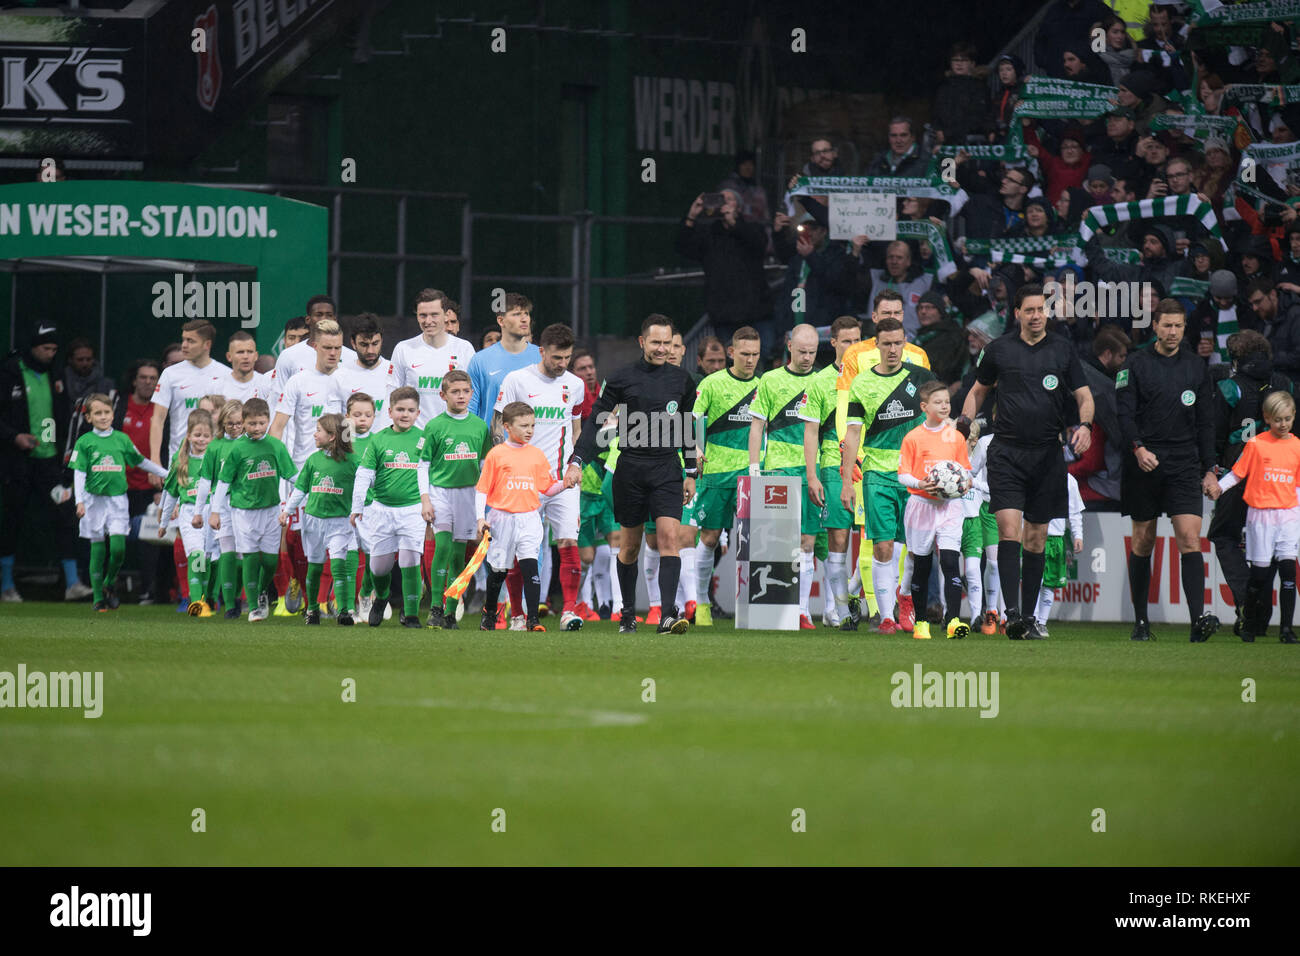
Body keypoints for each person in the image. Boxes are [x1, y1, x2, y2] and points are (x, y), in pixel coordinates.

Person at [959, 284, 1094, 641]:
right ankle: (1012, 613)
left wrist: (1087, 426)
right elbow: (977, 391)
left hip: (1048, 454)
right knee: (1009, 531)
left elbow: (1084, 396)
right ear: (1016, 313)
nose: (1036, 316)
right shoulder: (998, 350)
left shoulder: (1063, 351)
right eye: (1029, 310)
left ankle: (1030, 617)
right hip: (1006, 452)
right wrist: (964, 423)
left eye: (1041, 309)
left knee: (1036, 538)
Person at [564, 315, 697, 635]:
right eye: (656, 342)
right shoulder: (622, 378)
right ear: (642, 342)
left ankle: (667, 616)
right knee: (630, 548)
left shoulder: (682, 380)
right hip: (631, 470)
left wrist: (691, 471)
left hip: (667, 469)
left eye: (667, 343)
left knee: (669, 538)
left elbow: (688, 428)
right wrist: (578, 459)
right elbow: (597, 421)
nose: (662, 349)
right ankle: (626, 613)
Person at [1116, 299, 1221, 642]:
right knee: (1143, 540)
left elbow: (1207, 422)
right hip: (1144, 461)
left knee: (1190, 538)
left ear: (1184, 328)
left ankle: (1196, 623)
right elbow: (1124, 414)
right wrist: (1138, 448)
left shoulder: (1196, 367)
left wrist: (1210, 469)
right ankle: (1141, 622)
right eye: (1167, 326)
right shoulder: (1135, 364)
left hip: (1183, 463)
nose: (1173, 332)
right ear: (1155, 327)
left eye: (1178, 326)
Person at [839, 316, 935, 634]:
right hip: (876, 473)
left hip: (913, 476)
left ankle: (904, 596)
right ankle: (886, 617)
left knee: (912, 548)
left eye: (898, 343)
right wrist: (845, 482)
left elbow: (935, 421)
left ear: (904, 344)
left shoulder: (921, 377)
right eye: (887, 344)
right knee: (883, 545)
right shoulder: (862, 383)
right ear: (876, 345)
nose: (893, 349)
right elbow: (852, 434)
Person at [494, 323, 586, 630]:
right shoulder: (517, 380)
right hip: (522, 483)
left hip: (561, 479)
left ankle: (569, 611)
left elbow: (576, 429)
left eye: (567, 358)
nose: (562, 364)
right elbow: (499, 426)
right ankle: (517, 614)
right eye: (557, 358)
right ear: (542, 351)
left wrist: (577, 464)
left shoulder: (574, 385)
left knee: (568, 540)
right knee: (521, 549)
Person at [1208, 331, 1295, 633]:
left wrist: (1212, 469)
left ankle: (1249, 601)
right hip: (1279, 472)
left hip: (1239, 468)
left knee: (1223, 535)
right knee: (1270, 546)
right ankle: (1261, 615)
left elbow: (1216, 433)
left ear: (1235, 358)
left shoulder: (1230, 388)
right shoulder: (1286, 384)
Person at [0, 322, 90, 602]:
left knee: (65, 513)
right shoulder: (10, 372)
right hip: (17, 464)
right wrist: (15, 437)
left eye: (54, 349)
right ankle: (6, 586)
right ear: (33, 347)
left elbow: (59, 416)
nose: (50, 354)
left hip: (49, 465)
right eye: (45, 348)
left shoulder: (55, 375)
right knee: (11, 521)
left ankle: (73, 583)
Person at [747, 324, 821, 629]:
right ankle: (776, 611)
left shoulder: (823, 380)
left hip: (811, 471)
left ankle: (802, 610)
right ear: (789, 346)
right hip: (777, 468)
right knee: (778, 542)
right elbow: (756, 426)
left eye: (812, 352)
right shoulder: (770, 380)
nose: (806, 357)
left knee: (807, 540)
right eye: (801, 351)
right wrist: (754, 469)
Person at [1214, 391, 1300, 644]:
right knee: (1260, 575)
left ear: (1293, 416)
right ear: (1267, 418)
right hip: (1260, 516)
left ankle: (1286, 629)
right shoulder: (1256, 444)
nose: (1282, 424)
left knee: (1288, 571)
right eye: (1277, 420)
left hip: (1288, 515)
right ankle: (1249, 623)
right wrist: (1219, 487)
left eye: (1287, 418)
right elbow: (1238, 473)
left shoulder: (1296, 446)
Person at [70, 393, 168, 611]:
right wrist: (80, 501)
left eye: (107, 412)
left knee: (118, 549)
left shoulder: (122, 439)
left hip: (117, 501)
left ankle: (108, 583)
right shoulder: (84, 442)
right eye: (98, 413)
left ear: (113, 414)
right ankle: (97, 598)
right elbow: (79, 473)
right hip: (93, 501)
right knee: (97, 548)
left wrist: (166, 473)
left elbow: (140, 461)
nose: (103, 417)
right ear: (89, 418)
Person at [477, 402, 568, 631]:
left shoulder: (536, 455)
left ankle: (532, 620)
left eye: (533, 425)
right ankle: (489, 615)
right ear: (507, 426)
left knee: (530, 568)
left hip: (529, 518)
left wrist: (565, 484)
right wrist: (481, 518)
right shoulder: (497, 454)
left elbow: (546, 488)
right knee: (498, 571)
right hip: (502, 519)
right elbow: (482, 489)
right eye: (524, 425)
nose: (530, 430)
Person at [800, 316, 863, 630]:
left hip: (872, 465)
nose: (853, 346)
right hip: (833, 464)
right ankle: (838, 609)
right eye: (847, 341)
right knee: (838, 537)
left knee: (876, 539)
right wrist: (811, 475)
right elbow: (810, 432)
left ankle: (847, 598)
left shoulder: (871, 376)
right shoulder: (819, 381)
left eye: (858, 340)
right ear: (834, 343)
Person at [210, 398, 297, 622]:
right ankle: (256, 605)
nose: (257, 428)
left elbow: (293, 475)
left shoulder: (276, 446)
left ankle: (260, 591)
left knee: (269, 561)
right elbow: (223, 481)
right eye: (252, 424)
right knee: (249, 557)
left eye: (261, 423)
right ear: (244, 423)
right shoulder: (237, 449)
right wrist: (215, 511)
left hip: (270, 510)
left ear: (268, 421)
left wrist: (310, 488)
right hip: (243, 512)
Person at [897, 381, 972, 641]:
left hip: (950, 507)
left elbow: (966, 471)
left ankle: (952, 621)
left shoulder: (956, 437)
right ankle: (920, 623)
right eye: (938, 402)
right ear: (924, 406)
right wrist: (920, 483)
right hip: (921, 506)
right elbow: (902, 475)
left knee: (951, 562)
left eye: (947, 402)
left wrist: (965, 483)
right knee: (922, 565)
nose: (944, 406)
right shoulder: (913, 437)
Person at [350, 387, 428, 628]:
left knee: (410, 560)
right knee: (379, 566)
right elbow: (363, 475)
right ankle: (381, 597)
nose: (405, 414)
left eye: (410, 410)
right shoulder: (379, 439)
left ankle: (411, 613)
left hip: (413, 510)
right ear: (390, 411)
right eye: (400, 409)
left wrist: (428, 502)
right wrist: (357, 506)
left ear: (418, 413)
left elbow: (429, 474)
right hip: (381, 510)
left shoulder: (424, 438)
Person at [422, 370, 491, 629]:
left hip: (468, 495)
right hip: (440, 493)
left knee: (459, 556)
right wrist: (425, 499)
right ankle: (435, 607)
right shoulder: (435, 425)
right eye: (455, 391)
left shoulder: (479, 426)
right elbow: (422, 465)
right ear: (443, 395)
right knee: (442, 548)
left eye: (465, 391)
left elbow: (485, 465)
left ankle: (451, 612)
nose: (461, 396)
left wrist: (483, 501)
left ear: (471, 394)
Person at [282, 413, 360, 626]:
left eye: (318, 430)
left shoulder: (353, 461)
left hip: (340, 522)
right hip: (314, 521)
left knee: (338, 565)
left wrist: (362, 508)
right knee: (315, 567)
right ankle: (313, 609)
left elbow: (366, 485)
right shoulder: (313, 460)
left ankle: (344, 610)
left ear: (333, 436)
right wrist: (287, 511)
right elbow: (300, 489)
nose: (314, 434)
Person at [676, 190, 772, 346]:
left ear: (738, 207)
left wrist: (734, 223)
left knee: (762, 357)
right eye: (720, 199)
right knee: (727, 361)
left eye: (729, 200)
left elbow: (759, 244)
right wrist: (691, 216)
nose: (724, 203)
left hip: (755, 311)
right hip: (723, 313)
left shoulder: (753, 228)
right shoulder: (709, 234)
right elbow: (683, 248)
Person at [149, 320, 232, 481]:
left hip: (216, 461)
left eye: (191, 341)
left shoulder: (225, 374)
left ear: (207, 344)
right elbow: (157, 419)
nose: (184, 345)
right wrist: (154, 460)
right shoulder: (170, 374)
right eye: (183, 339)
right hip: (181, 460)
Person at [391, 288, 477, 428]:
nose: (428, 321)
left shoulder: (464, 349)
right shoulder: (403, 349)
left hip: (452, 434)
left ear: (446, 315)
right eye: (423, 315)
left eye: (434, 315)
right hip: (415, 435)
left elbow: (473, 397)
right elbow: (392, 394)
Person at [116, 358, 164, 604]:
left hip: (150, 488)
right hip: (118, 487)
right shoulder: (118, 407)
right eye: (143, 377)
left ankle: (148, 590)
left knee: (150, 539)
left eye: (152, 378)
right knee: (114, 538)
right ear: (134, 380)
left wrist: (163, 486)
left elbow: (166, 446)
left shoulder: (162, 409)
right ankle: (108, 587)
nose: (147, 382)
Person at [193, 399, 246, 619]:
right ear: (222, 423)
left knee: (244, 556)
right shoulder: (215, 447)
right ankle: (230, 603)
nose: (234, 427)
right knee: (226, 552)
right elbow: (206, 481)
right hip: (221, 504)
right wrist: (198, 511)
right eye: (230, 423)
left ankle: (239, 596)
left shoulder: (251, 444)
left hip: (246, 503)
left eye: (239, 423)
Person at [160, 409, 215, 615]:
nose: (201, 440)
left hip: (211, 514)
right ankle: (197, 603)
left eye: (206, 436)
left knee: (208, 559)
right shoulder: (180, 459)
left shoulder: (216, 456)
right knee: (197, 555)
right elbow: (171, 492)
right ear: (189, 435)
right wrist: (163, 523)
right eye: (197, 435)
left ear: (212, 436)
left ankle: (207, 596)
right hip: (189, 514)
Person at [466, 293, 538, 425]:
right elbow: (470, 410)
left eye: (526, 314)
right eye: (517, 314)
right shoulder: (480, 360)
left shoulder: (541, 357)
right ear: (501, 321)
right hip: (492, 443)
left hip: (535, 442)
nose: (524, 319)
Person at [1032, 467, 1084, 638]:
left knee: (1050, 583)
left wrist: (1078, 535)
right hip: (1034, 535)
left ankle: (1042, 622)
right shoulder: (1033, 474)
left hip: (1056, 538)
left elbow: (1075, 511)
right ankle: (1030, 620)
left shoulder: (1069, 480)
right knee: (1034, 581)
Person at [344, 312, 397, 416]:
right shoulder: (340, 375)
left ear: (381, 340)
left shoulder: (395, 371)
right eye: (364, 344)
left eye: (375, 343)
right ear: (353, 343)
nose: (370, 351)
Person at [224, 332, 276, 405]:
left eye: (250, 352)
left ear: (256, 356)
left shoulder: (266, 383)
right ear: (229, 356)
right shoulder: (217, 387)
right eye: (240, 352)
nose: (245, 356)